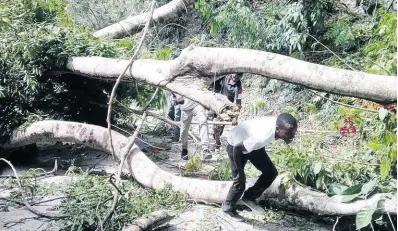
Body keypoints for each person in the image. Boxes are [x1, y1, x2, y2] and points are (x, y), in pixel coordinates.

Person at [221, 113, 298, 222]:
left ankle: (249, 198)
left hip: (251, 144)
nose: (292, 136)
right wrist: (240, 172)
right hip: (236, 146)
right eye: (288, 133)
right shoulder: (263, 136)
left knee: (270, 172)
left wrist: (287, 136)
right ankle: (227, 209)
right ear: (277, 129)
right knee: (239, 182)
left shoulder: (280, 124)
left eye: (293, 133)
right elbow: (237, 149)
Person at [208, 73, 243, 150]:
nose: (235, 78)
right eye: (234, 76)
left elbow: (238, 103)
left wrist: (235, 117)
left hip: (226, 108)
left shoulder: (238, 88)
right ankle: (216, 140)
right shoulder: (225, 77)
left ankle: (217, 142)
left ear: (240, 78)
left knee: (217, 127)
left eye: (237, 78)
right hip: (216, 102)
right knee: (213, 123)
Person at [176, 96, 211, 160]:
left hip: (197, 103)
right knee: (184, 129)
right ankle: (184, 149)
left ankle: (205, 149)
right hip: (185, 106)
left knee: (203, 121)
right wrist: (177, 96)